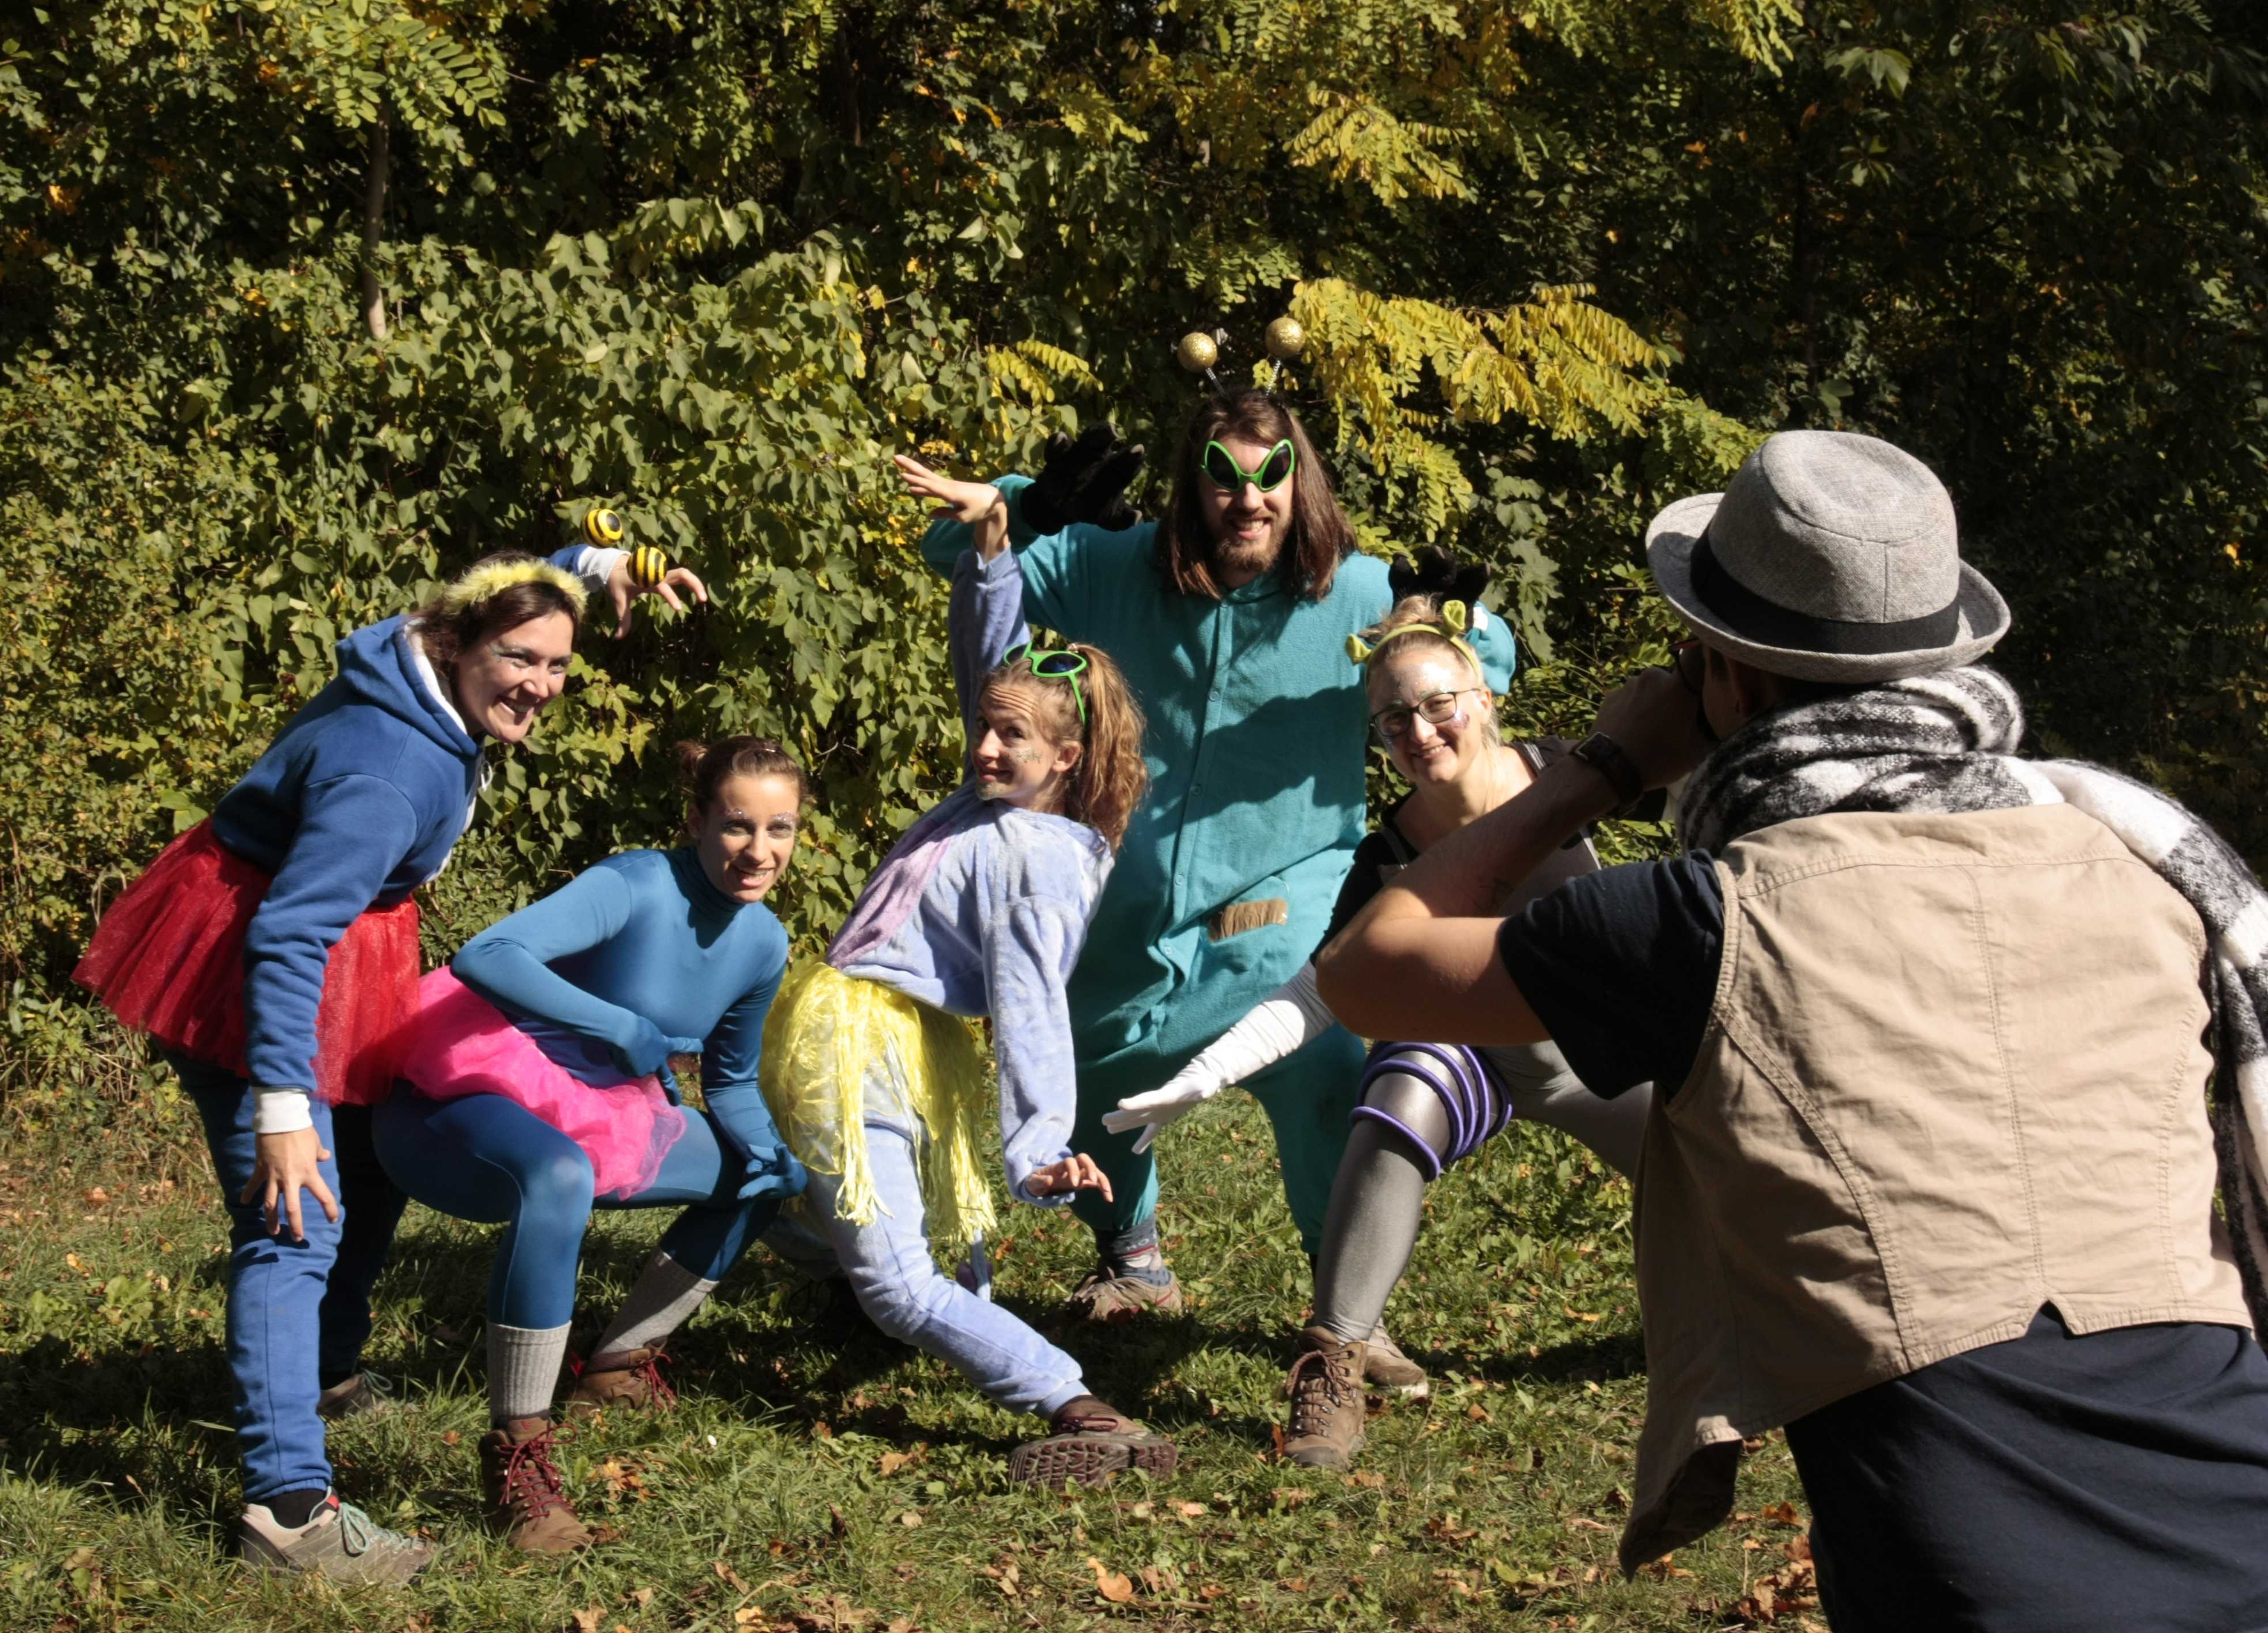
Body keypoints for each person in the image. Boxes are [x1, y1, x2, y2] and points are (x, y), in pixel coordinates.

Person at [1319, 429, 2268, 1630]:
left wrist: (1597, 765)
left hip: (1973, 1556)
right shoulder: (2134, 865)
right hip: (2240, 1497)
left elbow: (1368, 970)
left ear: (1731, 681)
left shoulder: (1696, 920)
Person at [72, 540, 705, 1583]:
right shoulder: (393, 766)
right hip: (256, 967)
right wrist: (279, 1103)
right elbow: (286, 935)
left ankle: (320, 1371)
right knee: (295, 1219)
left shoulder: (429, 653)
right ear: (457, 646)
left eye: (557, 663)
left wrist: (596, 567)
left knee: (363, 1162)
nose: (541, 685)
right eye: (520, 660)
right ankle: (289, 1513)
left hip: (331, 946)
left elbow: (508, 584)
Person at [1103, 553, 1652, 1468]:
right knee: (1398, 1091)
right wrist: (1199, 1080)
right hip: (1480, 1056)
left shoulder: (1570, 776)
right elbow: (1325, 988)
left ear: (1482, 697)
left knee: (1728, 1171)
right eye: (1393, 718)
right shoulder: (1391, 855)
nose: (1419, 730)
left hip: (1599, 1057)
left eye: (1437, 704)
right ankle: (1334, 1360)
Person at [918, 400, 1400, 1361]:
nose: (1248, 499)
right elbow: (954, 549)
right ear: (1195, 483)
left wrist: (1430, 628)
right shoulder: (1116, 566)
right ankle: (1131, 1254)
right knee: (1088, 1063)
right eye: (1226, 475)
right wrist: (1032, 503)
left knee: (1315, 1065)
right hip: (1121, 898)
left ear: (1300, 481)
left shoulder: (1357, 594)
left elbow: (1483, 656)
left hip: (1285, 889)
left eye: (1270, 476)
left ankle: (1350, 1316)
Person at [759, 452, 1164, 1486]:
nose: (984, 746)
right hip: (868, 1037)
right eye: (986, 728)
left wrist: (1039, 1145)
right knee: (803, 1205)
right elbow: (987, 662)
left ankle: (1079, 1407)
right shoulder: (1008, 809)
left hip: (878, 1050)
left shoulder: (1029, 859)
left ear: (1066, 759)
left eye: (1010, 736)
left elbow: (1032, 1009)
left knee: (899, 1285)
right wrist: (993, 544)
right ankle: (833, 1272)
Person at [372, 736, 807, 1553]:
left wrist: (767, 1153)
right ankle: (518, 1460)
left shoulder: (763, 944)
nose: (759, 851)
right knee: (559, 1177)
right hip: (474, 1088)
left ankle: (618, 1364)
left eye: (779, 829)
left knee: (760, 1183)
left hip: (613, 1114)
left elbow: (734, 1081)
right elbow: (485, 954)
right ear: (696, 821)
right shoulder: (635, 882)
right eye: (737, 826)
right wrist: (617, 1025)